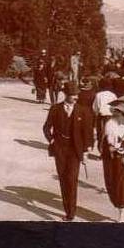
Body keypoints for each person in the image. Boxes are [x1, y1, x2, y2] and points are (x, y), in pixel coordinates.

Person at [42, 82, 95, 221]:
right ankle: (67, 209)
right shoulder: (55, 109)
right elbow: (46, 127)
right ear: (66, 94)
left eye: (77, 94)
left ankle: (71, 213)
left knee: (71, 180)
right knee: (63, 179)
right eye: (73, 95)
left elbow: (88, 133)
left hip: (75, 149)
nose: (76, 97)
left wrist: (86, 151)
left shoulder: (84, 111)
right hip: (59, 148)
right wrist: (52, 140)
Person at [92, 77, 117, 154]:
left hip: (102, 116)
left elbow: (94, 107)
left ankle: (101, 151)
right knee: (110, 133)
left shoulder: (98, 95)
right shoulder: (113, 95)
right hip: (111, 116)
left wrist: (96, 115)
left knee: (101, 134)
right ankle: (110, 150)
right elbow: (116, 106)